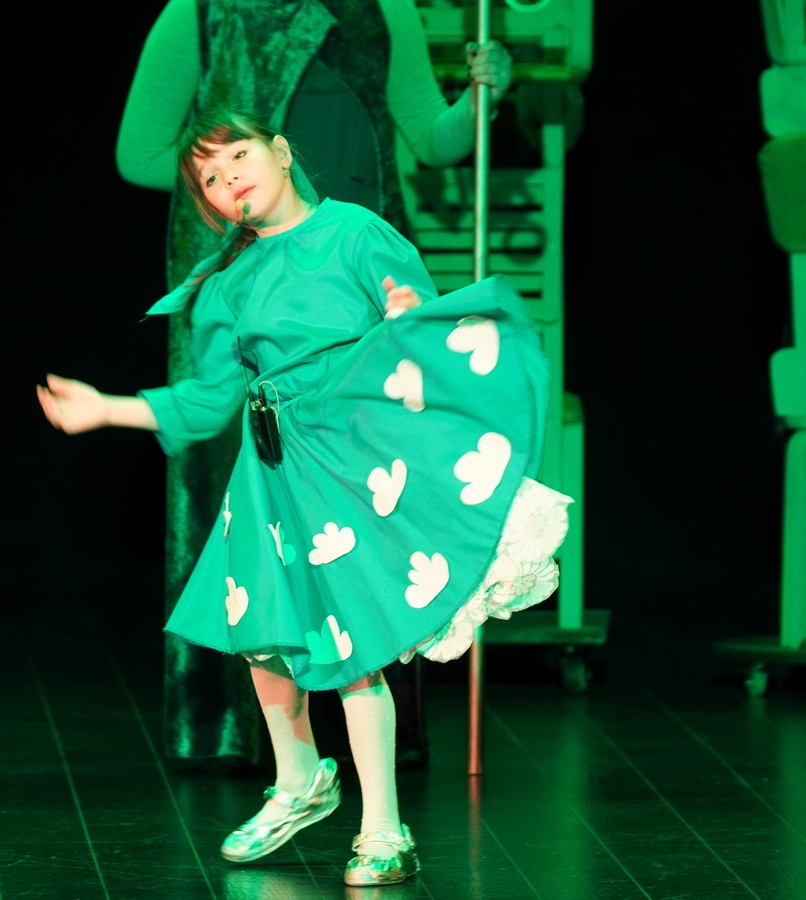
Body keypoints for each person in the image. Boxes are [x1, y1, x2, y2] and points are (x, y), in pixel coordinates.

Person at [40, 108, 570, 886]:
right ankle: (299, 781)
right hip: (273, 471)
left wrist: (406, 317)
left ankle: (384, 829)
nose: (228, 179)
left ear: (282, 152)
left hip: (348, 459)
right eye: (210, 178)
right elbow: (207, 402)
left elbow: (413, 314)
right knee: (264, 637)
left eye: (238, 157)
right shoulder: (226, 287)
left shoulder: (354, 232)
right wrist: (107, 408)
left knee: (350, 648)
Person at [116, 0, 513, 772]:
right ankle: (268, 747)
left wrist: (479, 99)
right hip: (258, 293)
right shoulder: (201, 13)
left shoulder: (384, 9)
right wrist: (233, 183)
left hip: (355, 292)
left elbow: (430, 139)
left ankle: (375, 750)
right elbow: (139, 153)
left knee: (371, 508)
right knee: (262, 513)